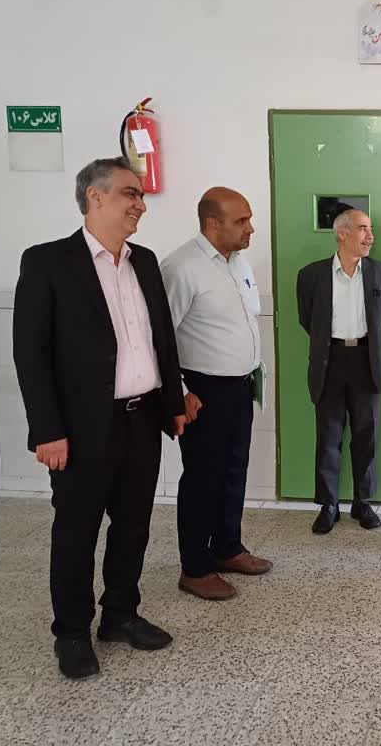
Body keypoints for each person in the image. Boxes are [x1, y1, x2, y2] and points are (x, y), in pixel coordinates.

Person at [13, 157, 186, 680]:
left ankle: (120, 616)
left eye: (141, 196)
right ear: (96, 196)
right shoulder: (48, 262)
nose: (141, 205)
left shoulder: (144, 262)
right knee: (76, 530)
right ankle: (71, 632)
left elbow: (162, 339)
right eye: (131, 193)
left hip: (141, 419)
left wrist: (173, 402)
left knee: (133, 525)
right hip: (81, 429)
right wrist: (47, 430)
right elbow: (31, 354)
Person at [160, 187, 273, 602]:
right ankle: (195, 567)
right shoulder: (181, 267)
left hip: (240, 386)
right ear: (212, 223)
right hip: (203, 391)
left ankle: (227, 548)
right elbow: (160, 338)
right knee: (203, 478)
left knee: (233, 470)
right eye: (241, 221)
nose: (251, 228)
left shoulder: (237, 262)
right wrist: (180, 391)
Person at [296, 209, 381, 534]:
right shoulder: (311, 275)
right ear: (342, 233)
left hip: (366, 361)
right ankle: (329, 506)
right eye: (363, 229)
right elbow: (307, 319)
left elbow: (378, 316)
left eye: (371, 229)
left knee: (366, 435)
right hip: (330, 360)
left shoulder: (380, 273)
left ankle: (362, 503)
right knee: (329, 436)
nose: (370, 236)